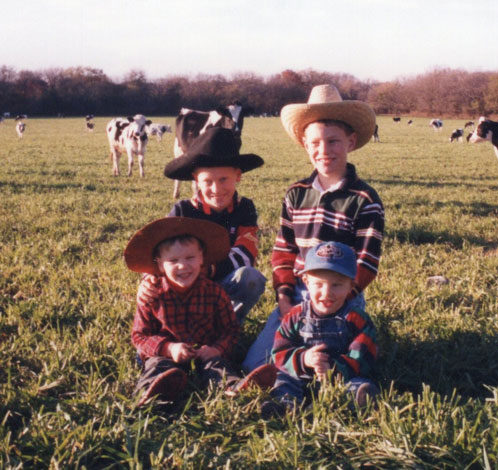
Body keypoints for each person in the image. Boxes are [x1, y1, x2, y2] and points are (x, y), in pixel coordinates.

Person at [243, 84, 385, 372]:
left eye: (333, 141)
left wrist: (337, 296)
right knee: (256, 365)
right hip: (298, 293)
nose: (324, 151)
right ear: (305, 145)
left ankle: (326, 366)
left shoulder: (365, 199)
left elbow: (367, 261)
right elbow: (284, 250)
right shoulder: (296, 194)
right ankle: (298, 362)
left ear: (351, 141)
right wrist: (284, 296)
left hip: (343, 295)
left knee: (343, 364)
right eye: (315, 143)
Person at [125, 217, 276, 406]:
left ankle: (233, 389)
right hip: (166, 353)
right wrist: (168, 348)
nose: (183, 266)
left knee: (218, 366)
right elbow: (140, 336)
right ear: (160, 265)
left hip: (204, 352)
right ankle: (151, 396)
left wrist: (216, 349)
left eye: (190, 258)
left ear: (202, 258)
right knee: (157, 366)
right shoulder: (152, 294)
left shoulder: (214, 292)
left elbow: (230, 330)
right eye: (173, 260)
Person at [137, 127, 267, 324]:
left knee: (251, 278)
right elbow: (159, 251)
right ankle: (174, 327)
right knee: (158, 285)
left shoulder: (245, 208)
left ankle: (226, 325)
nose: (216, 189)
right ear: (196, 180)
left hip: (221, 282)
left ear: (238, 175)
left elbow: (246, 254)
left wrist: (208, 270)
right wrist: (148, 279)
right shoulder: (182, 210)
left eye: (224, 179)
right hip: (183, 283)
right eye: (207, 181)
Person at [266, 241, 380, 411]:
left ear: (352, 285)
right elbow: (279, 353)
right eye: (319, 284)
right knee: (280, 380)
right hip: (301, 376)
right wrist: (303, 359)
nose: (327, 293)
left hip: (341, 379)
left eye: (337, 285)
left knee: (361, 387)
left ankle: (342, 403)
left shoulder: (357, 320)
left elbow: (363, 357)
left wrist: (333, 369)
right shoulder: (295, 316)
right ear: (306, 281)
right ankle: (286, 406)